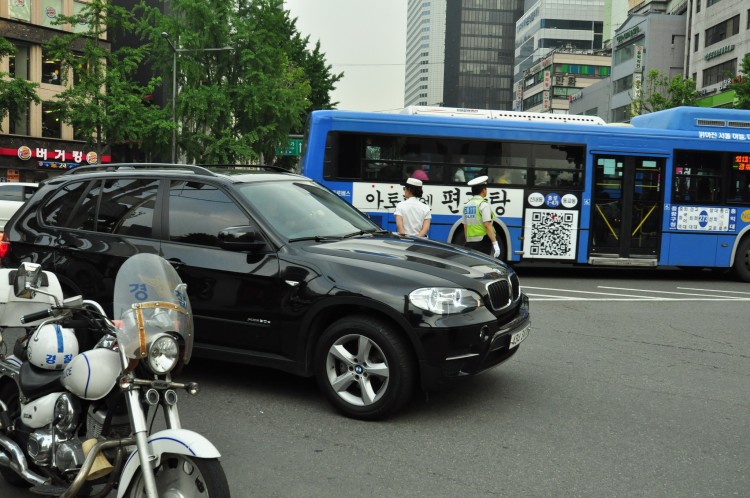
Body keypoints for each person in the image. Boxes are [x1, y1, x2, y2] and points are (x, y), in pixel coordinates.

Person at [462, 175, 500, 257]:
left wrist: (468, 240)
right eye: (486, 188)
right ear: (483, 190)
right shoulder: (483, 204)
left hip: (470, 242)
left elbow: (465, 226)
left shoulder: (467, 205)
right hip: (482, 242)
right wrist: (495, 243)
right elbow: (487, 225)